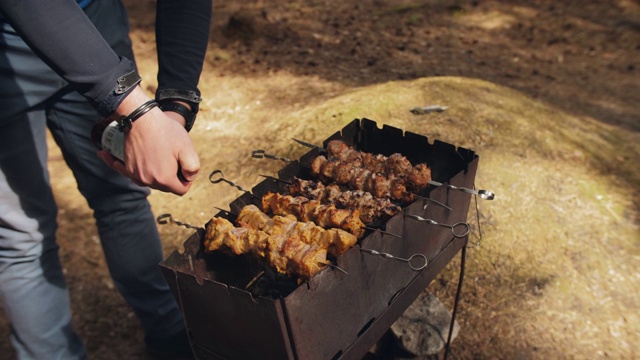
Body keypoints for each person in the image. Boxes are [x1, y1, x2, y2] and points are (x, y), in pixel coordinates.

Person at [0, 0, 211, 359]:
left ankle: (172, 339)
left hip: (91, 25)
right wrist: (136, 108)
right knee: (21, 238)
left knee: (123, 195)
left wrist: (175, 108)